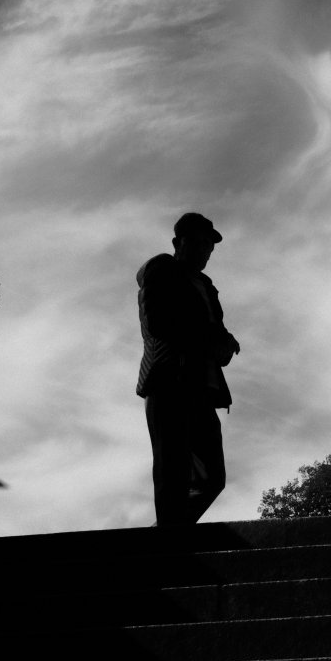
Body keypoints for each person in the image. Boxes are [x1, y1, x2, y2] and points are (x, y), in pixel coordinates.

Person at [136, 212, 241, 530]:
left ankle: (168, 533)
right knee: (172, 475)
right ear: (177, 243)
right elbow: (161, 325)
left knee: (213, 478)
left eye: (209, 246)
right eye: (197, 243)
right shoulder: (162, 271)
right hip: (169, 384)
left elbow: (214, 338)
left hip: (201, 390)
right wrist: (213, 339)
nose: (204, 251)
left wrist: (225, 344)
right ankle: (170, 539)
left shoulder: (207, 287)